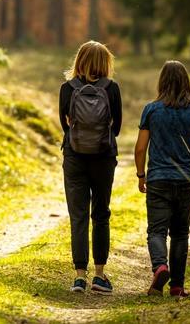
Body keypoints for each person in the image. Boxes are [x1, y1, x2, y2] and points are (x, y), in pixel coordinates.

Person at [134, 60, 190, 298]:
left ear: (162, 81)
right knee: (180, 233)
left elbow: (140, 148)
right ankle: (177, 287)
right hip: (185, 180)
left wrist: (141, 175)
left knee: (157, 231)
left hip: (158, 179)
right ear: (186, 81)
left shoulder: (151, 109)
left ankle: (160, 267)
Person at [59, 41, 122, 295]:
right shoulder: (112, 88)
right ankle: (99, 275)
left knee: (78, 216)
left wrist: (78, 139)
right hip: (103, 156)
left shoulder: (67, 88)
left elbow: (64, 125)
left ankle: (79, 277)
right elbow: (116, 126)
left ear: (79, 61)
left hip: (74, 156)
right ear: (105, 63)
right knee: (101, 214)